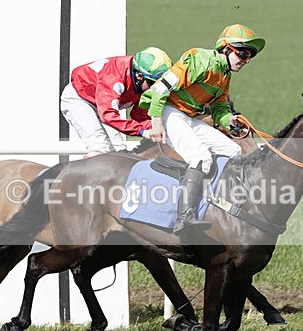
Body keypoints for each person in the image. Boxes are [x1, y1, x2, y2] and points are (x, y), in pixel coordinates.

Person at [139, 24, 265, 233]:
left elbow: (219, 106)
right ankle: (184, 217)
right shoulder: (199, 58)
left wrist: (229, 121)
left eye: (250, 56)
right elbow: (161, 87)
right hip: (169, 112)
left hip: (187, 117)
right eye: (242, 53)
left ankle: (215, 200)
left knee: (233, 150)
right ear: (225, 49)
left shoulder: (224, 75)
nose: (246, 60)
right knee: (200, 157)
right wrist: (156, 119)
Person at [60, 47, 172, 157]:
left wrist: (159, 128)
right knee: (99, 147)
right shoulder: (114, 77)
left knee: (119, 151)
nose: (155, 90)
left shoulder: (143, 82)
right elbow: (108, 115)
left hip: (102, 105)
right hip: (79, 99)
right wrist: (142, 131)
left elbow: (139, 116)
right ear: (139, 76)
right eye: (152, 84)